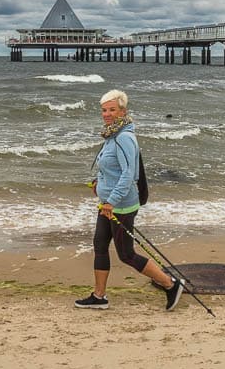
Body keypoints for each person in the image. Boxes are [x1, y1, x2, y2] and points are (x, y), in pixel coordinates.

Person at [75, 89, 184, 311]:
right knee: (100, 245)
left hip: (121, 205)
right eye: (104, 110)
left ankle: (170, 284)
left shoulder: (124, 137)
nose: (107, 114)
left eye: (112, 110)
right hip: (108, 203)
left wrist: (111, 201)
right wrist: (99, 183)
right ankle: (99, 296)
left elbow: (129, 174)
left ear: (123, 111)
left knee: (126, 254)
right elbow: (112, 169)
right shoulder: (112, 134)